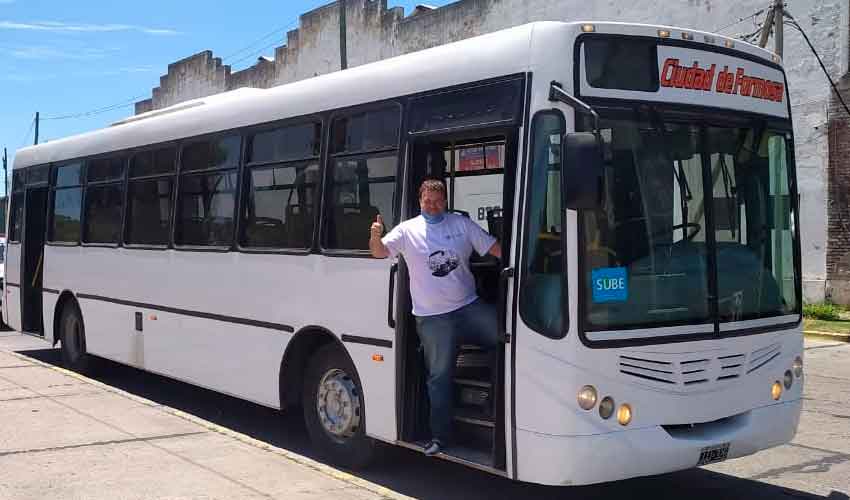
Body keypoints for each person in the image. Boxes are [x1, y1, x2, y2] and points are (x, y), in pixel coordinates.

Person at [369, 179, 501, 456]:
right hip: (433, 318)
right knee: (439, 378)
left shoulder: (460, 225)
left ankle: (496, 408)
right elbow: (379, 252)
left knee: (508, 339)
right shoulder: (407, 230)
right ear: (420, 201)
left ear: (446, 202)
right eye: (427, 201)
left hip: (468, 307)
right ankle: (440, 438)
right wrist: (375, 233)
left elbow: (495, 249)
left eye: (438, 201)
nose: (432, 206)